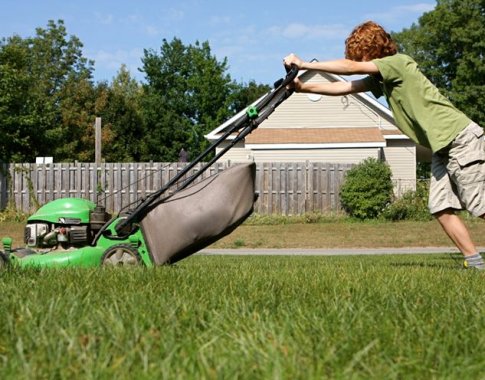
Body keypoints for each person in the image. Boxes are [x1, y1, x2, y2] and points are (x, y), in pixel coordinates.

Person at [284, 20, 485, 270]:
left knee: (479, 204)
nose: (360, 64)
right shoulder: (381, 80)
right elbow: (345, 87)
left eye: (362, 58)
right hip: (441, 148)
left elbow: (349, 70)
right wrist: (302, 87)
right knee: (441, 207)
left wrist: (305, 64)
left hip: (460, 139)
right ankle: (476, 264)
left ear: (374, 52)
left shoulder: (398, 63)